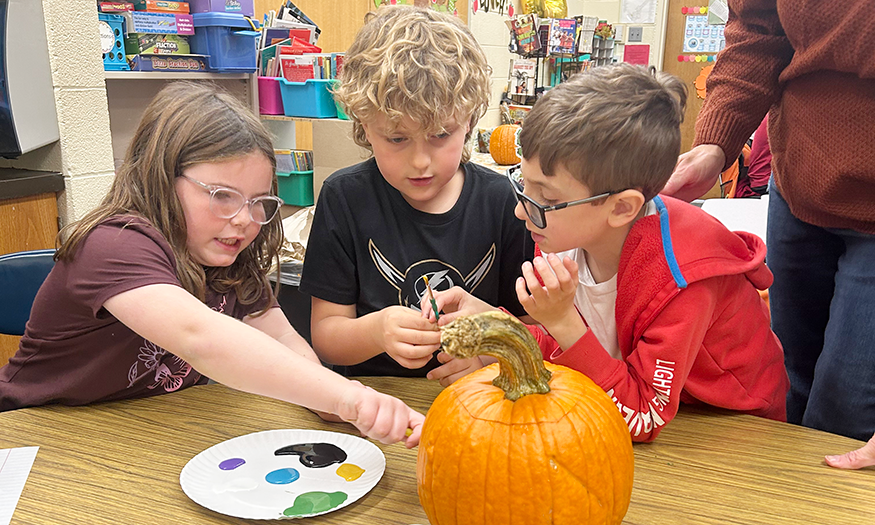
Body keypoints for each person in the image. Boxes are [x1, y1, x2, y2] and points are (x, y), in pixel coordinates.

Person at [0, 82, 423, 447]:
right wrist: (343, 397)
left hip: (146, 435)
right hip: (39, 436)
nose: (243, 219)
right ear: (162, 176)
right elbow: (199, 337)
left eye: (259, 202)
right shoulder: (113, 245)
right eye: (221, 195)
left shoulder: (227, 256)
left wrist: (327, 397)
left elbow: (280, 339)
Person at [423, 64, 789, 442]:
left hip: (731, 429)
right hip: (640, 406)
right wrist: (498, 331)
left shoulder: (682, 281)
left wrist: (563, 321)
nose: (521, 211)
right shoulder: (563, 231)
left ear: (621, 208)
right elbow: (585, 353)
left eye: (546, 197)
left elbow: (642, 416)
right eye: (522, 184)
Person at [660, 0, 875, 463]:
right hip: (800, 185)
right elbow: (758, 32)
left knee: (845, 416)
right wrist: (715, 144)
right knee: (791, 381)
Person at [300, 6, 532, 378]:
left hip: (481, 403)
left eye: (441, 135)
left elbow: (533, 330)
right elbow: (326, 335)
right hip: (373, 405)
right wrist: (375, 331)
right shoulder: (344, 198)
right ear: (364, 125)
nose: (420, 161)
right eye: (397, 138)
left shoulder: (505, 202)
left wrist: (489, 356)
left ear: (469, 120)